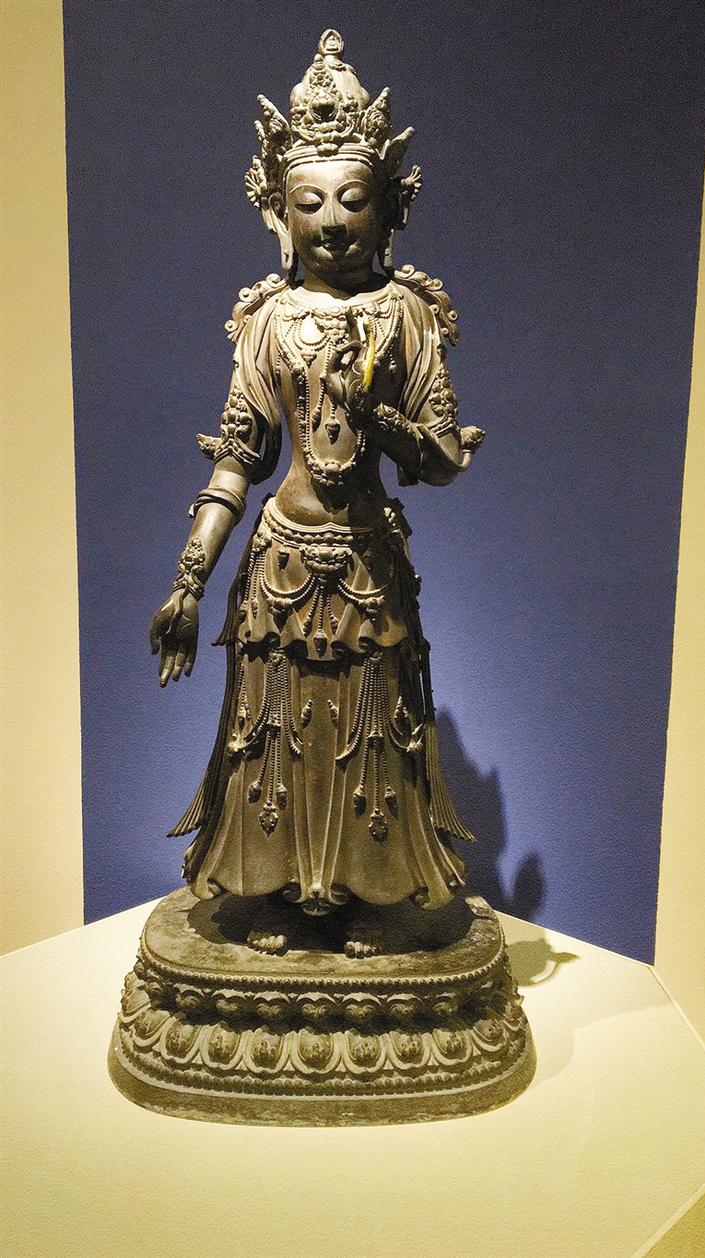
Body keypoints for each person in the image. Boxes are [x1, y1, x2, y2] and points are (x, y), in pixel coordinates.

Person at [149, 30, 485, 956]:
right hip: (280, 567)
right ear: (280, 214)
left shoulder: (407, 314)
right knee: (275, 739)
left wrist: (383, 420)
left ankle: (368, 892)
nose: (332, 221)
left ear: (388, 209)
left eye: (352, 199)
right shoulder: (267, 321)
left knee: (372, 735)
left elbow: (443, 459)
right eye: (310, 202)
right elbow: (237, 460)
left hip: (370, 566)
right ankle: (283, 891)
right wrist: (188, 583)